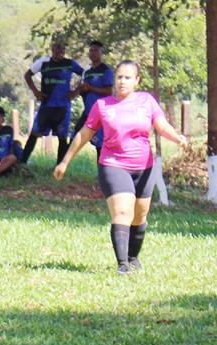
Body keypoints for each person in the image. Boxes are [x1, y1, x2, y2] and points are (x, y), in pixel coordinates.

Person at [54, 60, 187, 274]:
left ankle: (133, 258)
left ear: (137, 81)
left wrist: (176, 137)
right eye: (119, 77)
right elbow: (84, 134)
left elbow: (161, 125)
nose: (122, 81)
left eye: (127, 77)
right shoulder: (103, 105)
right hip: (113, 165)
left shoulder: (147, 101)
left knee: (139, 216)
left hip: (144, 167)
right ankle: (123, 264)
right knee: (122, 212)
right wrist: (65, 161)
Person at [21, 41, 84, 166]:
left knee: (62, 137)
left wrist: (76, 92)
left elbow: (85, 74)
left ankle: (59, 167)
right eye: (58, 48)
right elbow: (27, 75)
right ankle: (21, 163)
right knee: (34, 134)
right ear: (52, 49)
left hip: (63, 107)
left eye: (63, 49)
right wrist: (35, 91)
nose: (61, 51)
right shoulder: (44, 62)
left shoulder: (69, 63)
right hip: (46, 105)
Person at [70, 40, 114, 161]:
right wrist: (82, 90)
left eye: (96, 50)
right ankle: (62, 166)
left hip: (101, 112)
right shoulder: (87, 72)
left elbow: (109, 92)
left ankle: (103, 173)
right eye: (91, 50)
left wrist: (91, 88)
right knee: (75, 138)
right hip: (88, 112)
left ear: (101, 53)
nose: (93, 53)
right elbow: (84, 90)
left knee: (100, 145)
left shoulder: (106, 70)